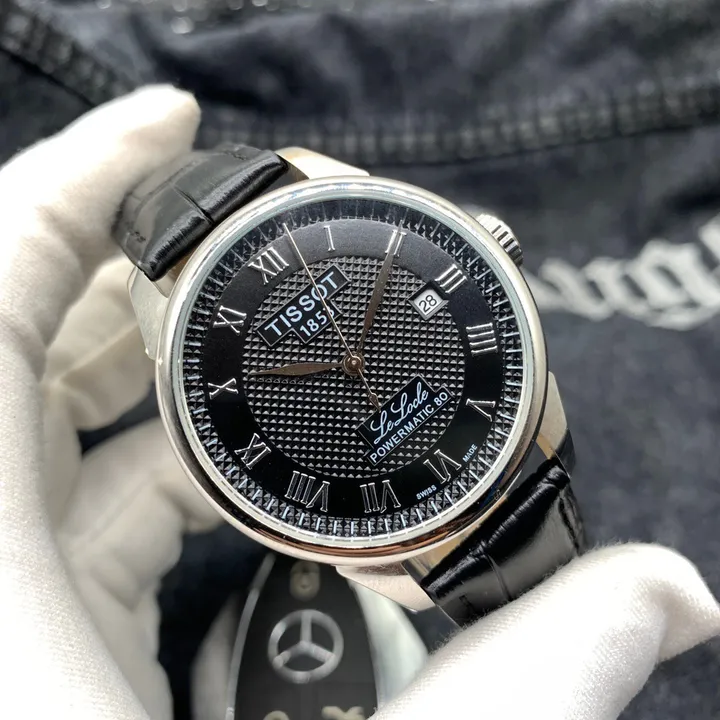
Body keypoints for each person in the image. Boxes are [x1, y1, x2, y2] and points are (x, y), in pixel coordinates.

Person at [0, 86, 717, 720]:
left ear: (490, 248)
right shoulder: (186, 340)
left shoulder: (318, 196)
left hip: (509, 447)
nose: (351, 365)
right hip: (432, 501)